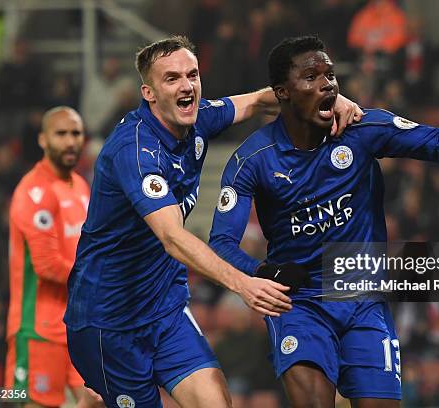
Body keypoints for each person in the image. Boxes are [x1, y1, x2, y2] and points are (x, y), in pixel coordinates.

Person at [63, 35, 361, 408]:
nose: (186, 86)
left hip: (164, 309)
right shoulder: (135, 152)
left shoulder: (200, 117)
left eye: (192, 75)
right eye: (171, 79)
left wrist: (326, 100)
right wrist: (243, 283)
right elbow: (172, 238)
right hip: (108, 323)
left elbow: (257, 100)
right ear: (149, 93)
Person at [209, 35, 439, 407]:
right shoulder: (253, 159)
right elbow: (221, 243)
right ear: (281, 92)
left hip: (365, 302)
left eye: (330, 74)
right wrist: (263, 272)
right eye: (311, 76)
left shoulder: (364, 129)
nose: (327, 83)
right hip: (302, 305)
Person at [6, 107, 102, 407]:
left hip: (77, 326)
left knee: (97, 401)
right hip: (39, 329)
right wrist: (101, 283)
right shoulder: (34, 191)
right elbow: (47, 266)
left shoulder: (82, 187)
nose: (71, 141)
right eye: (61, 134)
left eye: (76, 133)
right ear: (43, 140)